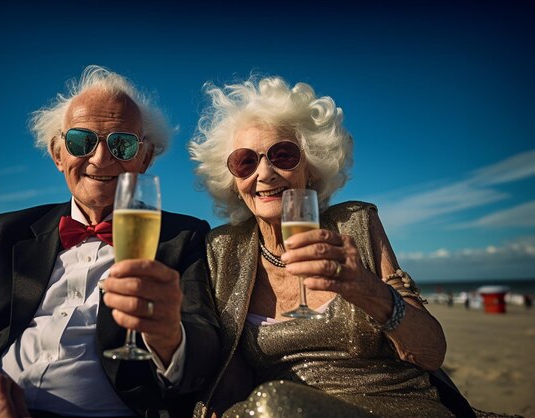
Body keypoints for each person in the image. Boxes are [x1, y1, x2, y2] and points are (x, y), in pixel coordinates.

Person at [0, 65, 220, 418]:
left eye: (122, 143)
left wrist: (169, 336)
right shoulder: (13, 230)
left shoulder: (185, 237)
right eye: (81, 141)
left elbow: (204, 342)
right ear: (59, 155)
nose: (101, 158)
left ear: (144, 158)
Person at [188, 76, 476, 417]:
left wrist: (367, 290)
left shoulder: (356, 223)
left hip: (394, 406)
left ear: (310, 167)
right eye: (246, 162)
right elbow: (228, 368)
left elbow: (430, 353)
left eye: (283, 155)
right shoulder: (222, 249)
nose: (265, 173)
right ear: (234, 182)